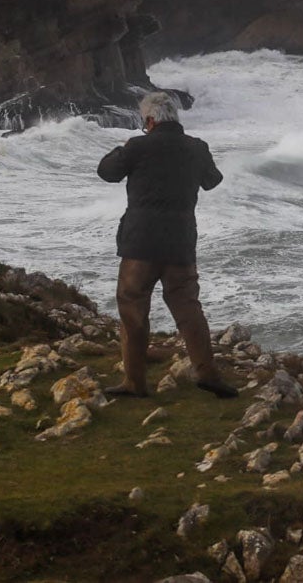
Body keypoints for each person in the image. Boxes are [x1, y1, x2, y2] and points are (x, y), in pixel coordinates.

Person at [96, 91, 236, 399]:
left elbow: (106, 172)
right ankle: (208, 374)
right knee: (188, 307)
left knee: (133, 308)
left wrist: (122, 150)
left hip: (141, 244)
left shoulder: (138, 146)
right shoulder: (196, 148)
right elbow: (212, 180)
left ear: (149, 120)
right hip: (180, 242)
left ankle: (134, 382)